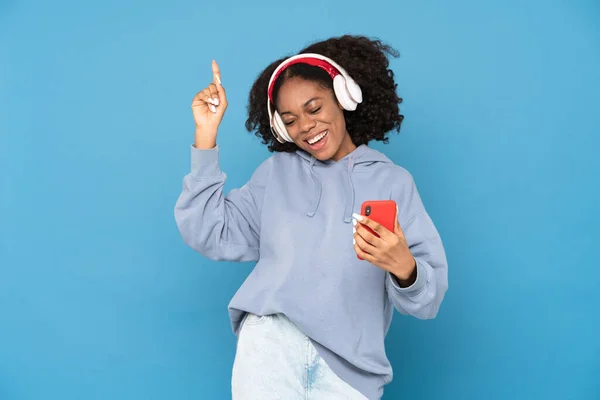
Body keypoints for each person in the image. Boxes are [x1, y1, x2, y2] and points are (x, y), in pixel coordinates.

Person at [174, 35, 448, 400]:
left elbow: (428, 300)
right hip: (271, 345)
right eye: (290, 119)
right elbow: (208, 231)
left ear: (344, 97)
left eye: (314, 108)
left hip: (351, 372)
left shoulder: (392, 182)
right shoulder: (276, 173)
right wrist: (205, 137)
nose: (305, 126)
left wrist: (405, 268)